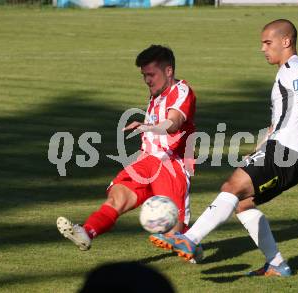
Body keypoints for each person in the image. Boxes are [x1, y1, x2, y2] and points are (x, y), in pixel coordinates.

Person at [150, 19, 298, 277]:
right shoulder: (286, 72)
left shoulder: (296, 70)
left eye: (267, 42)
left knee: (231, 188)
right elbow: (278, 122)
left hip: (286, 153)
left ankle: (190, 238)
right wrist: (259, 148)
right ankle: (277, 264)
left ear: (286, 41)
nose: (262, 48)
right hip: (285, 154)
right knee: (243, 204)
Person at [57, 45, 196, 251]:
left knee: (174, 235)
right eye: (144, 75)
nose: (147, 80)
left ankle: (189, 244)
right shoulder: (156, 95)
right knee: (117, 197)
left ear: (168, 71)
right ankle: (86, 232)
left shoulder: (182, 91)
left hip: (170, 165)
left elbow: (173, 123)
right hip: (146, 161)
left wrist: (147, 126)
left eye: (151, 74)